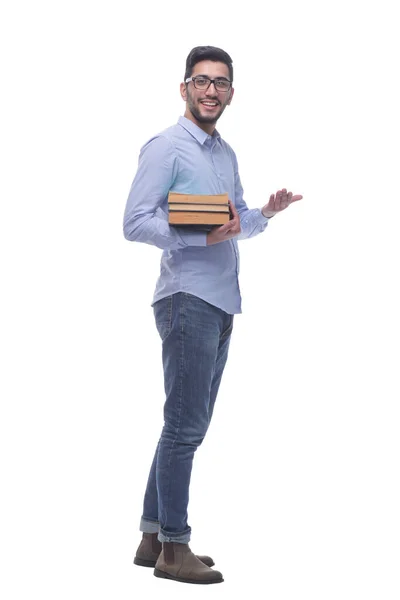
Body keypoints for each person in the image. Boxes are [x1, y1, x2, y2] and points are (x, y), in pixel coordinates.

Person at [123, 45, 302, 585]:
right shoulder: (166, 146)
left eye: (220, 83)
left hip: (223, 300)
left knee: (183, 425)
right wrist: (195, 234)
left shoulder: (224, 153)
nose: (210, 91)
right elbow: (134, 222)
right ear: (184, 89)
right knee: (185, 428)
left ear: (230, 93)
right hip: (186, 298)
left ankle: (152, 535)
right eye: (201, 81)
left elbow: (234, 220)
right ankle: (175, 550)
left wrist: (265, 214)